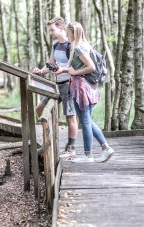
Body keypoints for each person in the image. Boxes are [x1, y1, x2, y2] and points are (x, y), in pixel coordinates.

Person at [55, 22, 115, 163]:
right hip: (88, 87)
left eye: (68, 33)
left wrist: (75, 72)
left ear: (73, 33)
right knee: (87, 120)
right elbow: (78, 66)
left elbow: (91, 67)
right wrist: (63, 70)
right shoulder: (84, 45)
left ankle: (88, 155)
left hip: (81, 88)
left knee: (85, 121)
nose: (67, 35)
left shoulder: (78, 48)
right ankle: (106, 148)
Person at [33, 17, 78, 158]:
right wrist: (41, 71)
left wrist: (62, 69)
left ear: (62, 28)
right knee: (39, 108)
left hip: (69, 84)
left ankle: (71, 147)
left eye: (52, 30)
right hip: (56, 85)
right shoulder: (55, 45)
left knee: (70, 116)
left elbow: (75, 67)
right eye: (49, 30)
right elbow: (50, 64)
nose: (50, 32)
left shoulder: (71, 45)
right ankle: (50, 136)